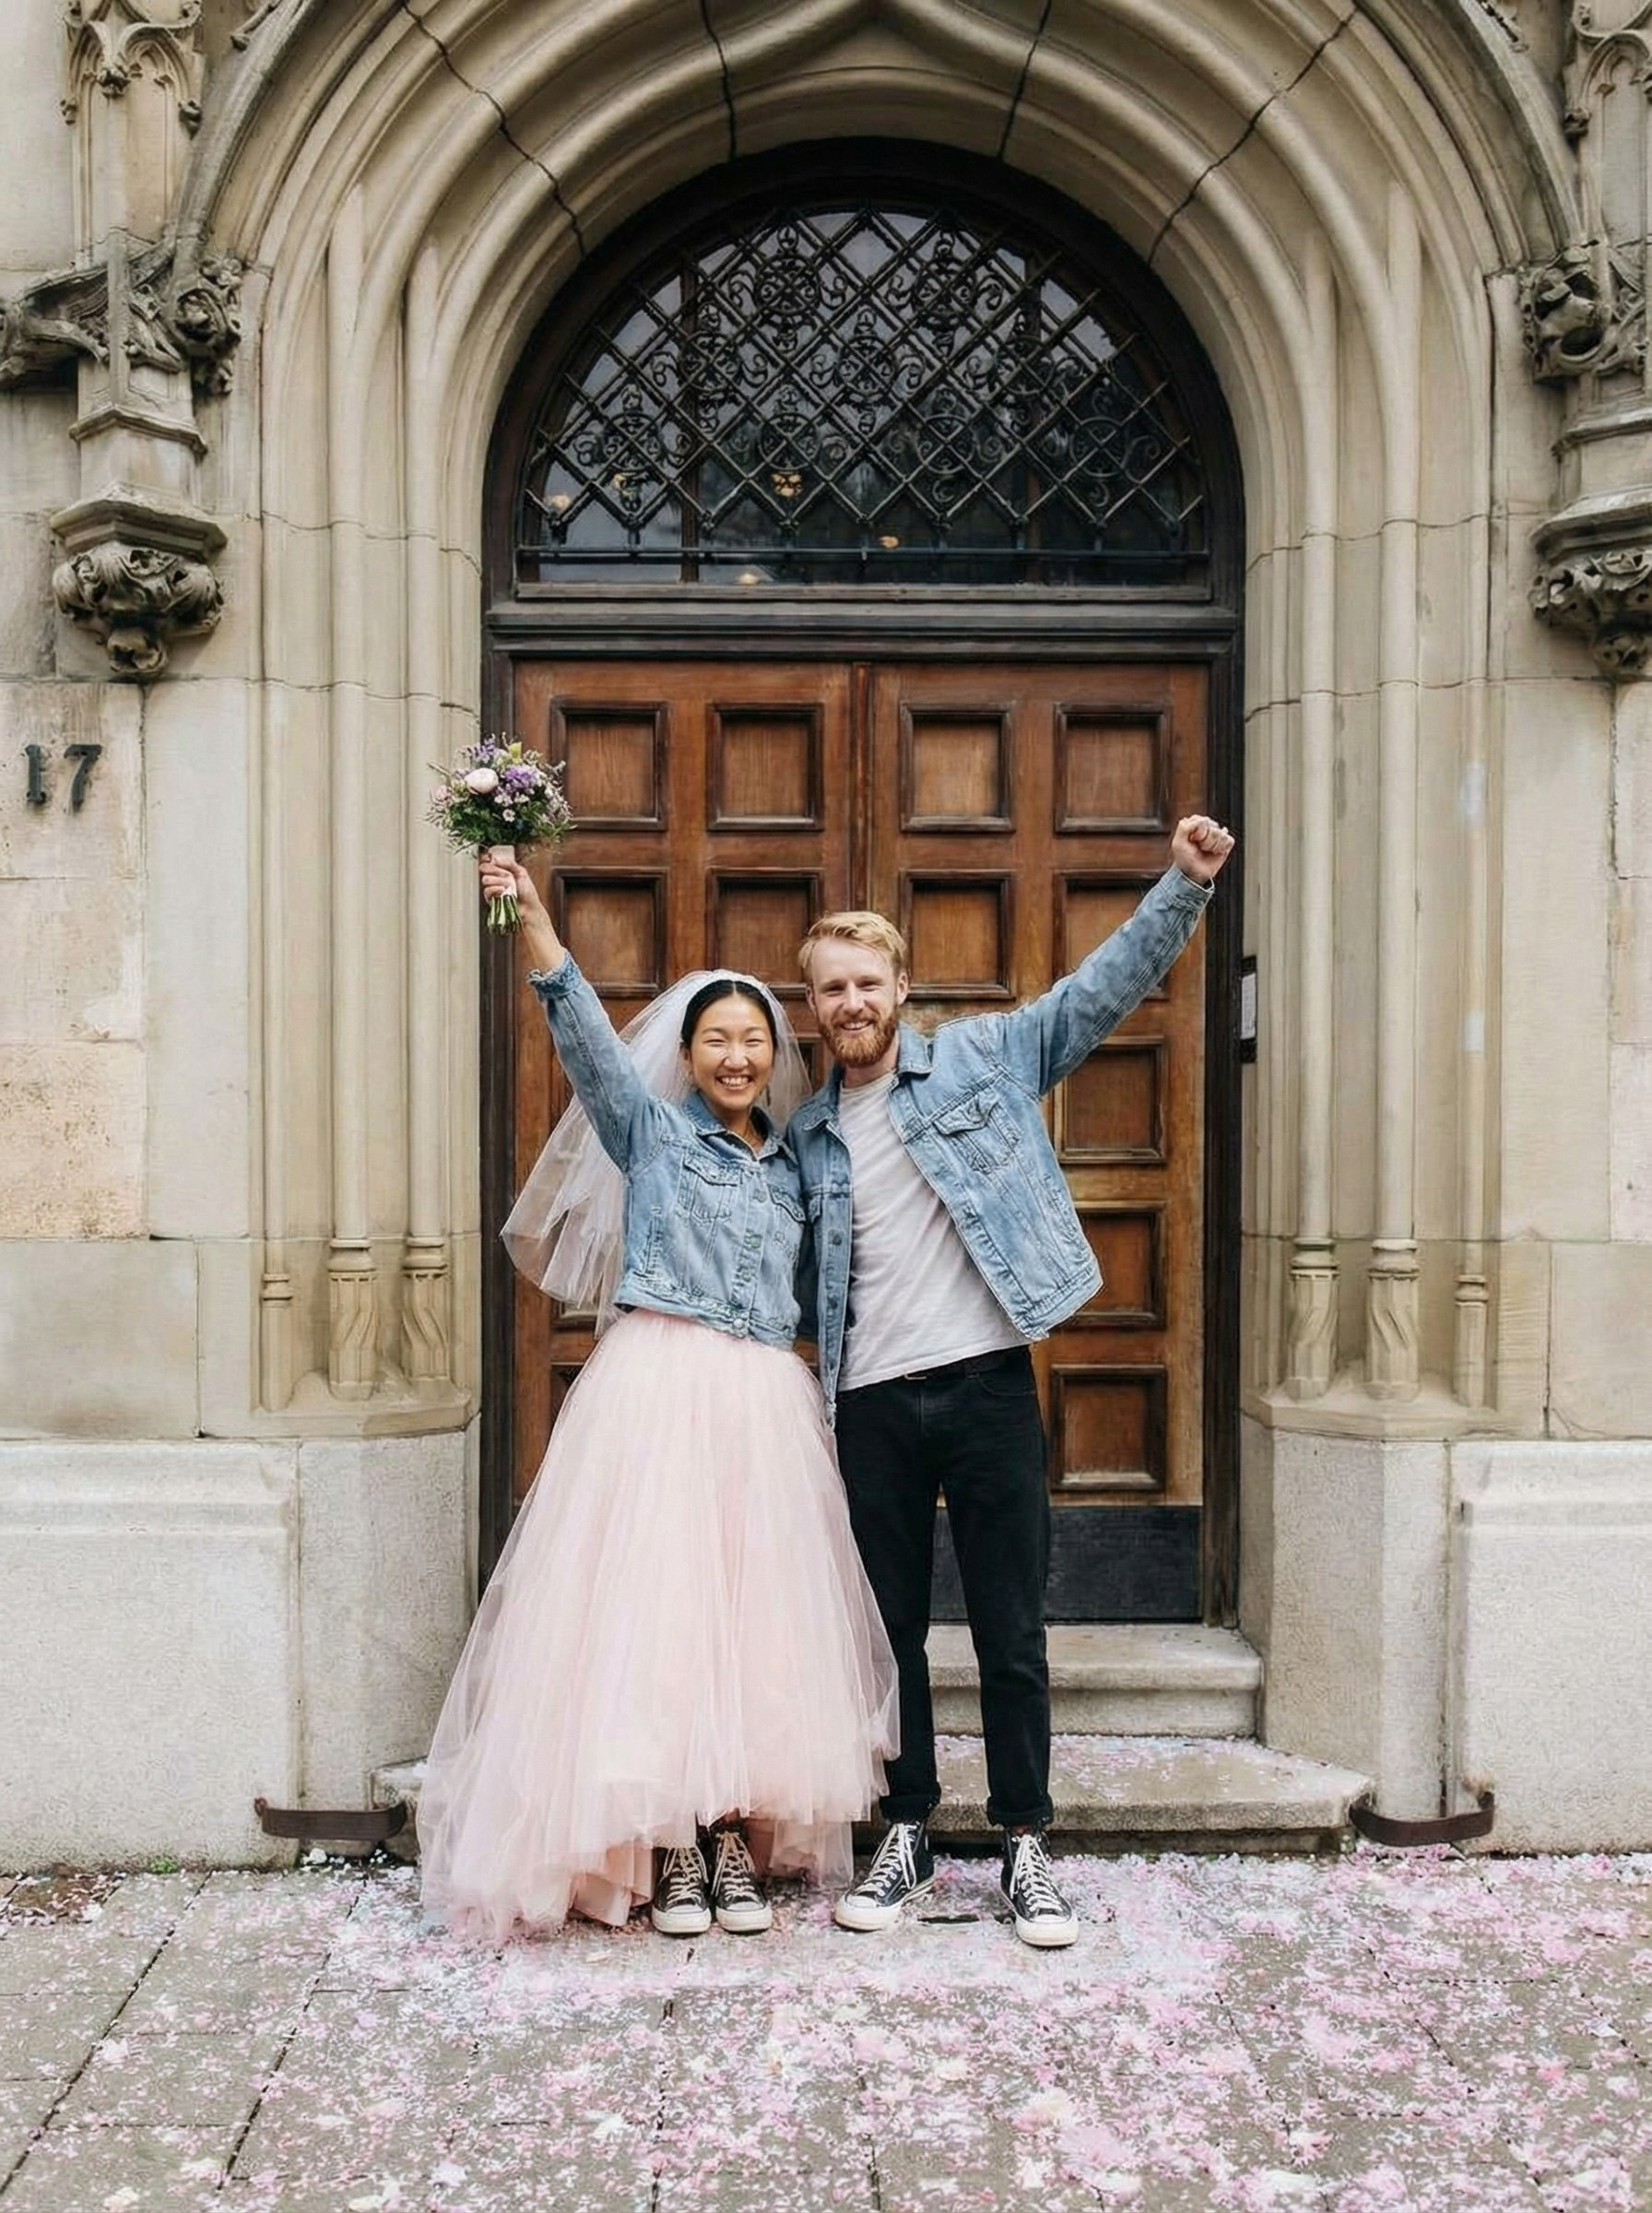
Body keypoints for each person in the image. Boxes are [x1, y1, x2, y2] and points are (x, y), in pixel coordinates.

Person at [419, 855, 897, 1944]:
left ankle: (730, 1835)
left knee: (752, 1626)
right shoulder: (652, 1135)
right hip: (659, 1397)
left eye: (754, 1040)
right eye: (716, 1039)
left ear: (776, 1057)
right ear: (687, 1056)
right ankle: (671, 1846)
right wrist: (532, 918)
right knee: (661, 1620)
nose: (737, 1055)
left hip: (765, 1410)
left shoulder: (794, 1166)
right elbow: (583, 1033)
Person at [788, 814, 1235, 1949]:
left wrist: (1182, 886)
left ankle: (1026, 1841)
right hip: (869, 1404)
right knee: (888, 1634)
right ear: (813, 1005)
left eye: (866, 981)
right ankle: (909, 1829)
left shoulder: (985, 1056)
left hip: (987, 1385)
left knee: (1008, 1630)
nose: (850, 1002)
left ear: (901, 986)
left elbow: (1097, 994)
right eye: (830, 987)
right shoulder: (804, 1139)